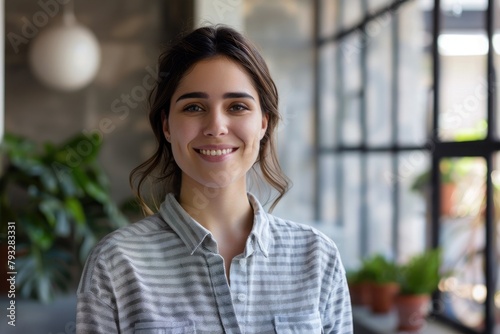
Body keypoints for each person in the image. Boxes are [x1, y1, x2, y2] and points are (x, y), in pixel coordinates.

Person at [76, 25, 353, 334]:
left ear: (263, 122)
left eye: (237, 106)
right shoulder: (116, 264)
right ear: (167, 126)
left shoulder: (317, 257)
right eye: (194, 107)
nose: (216, 126)